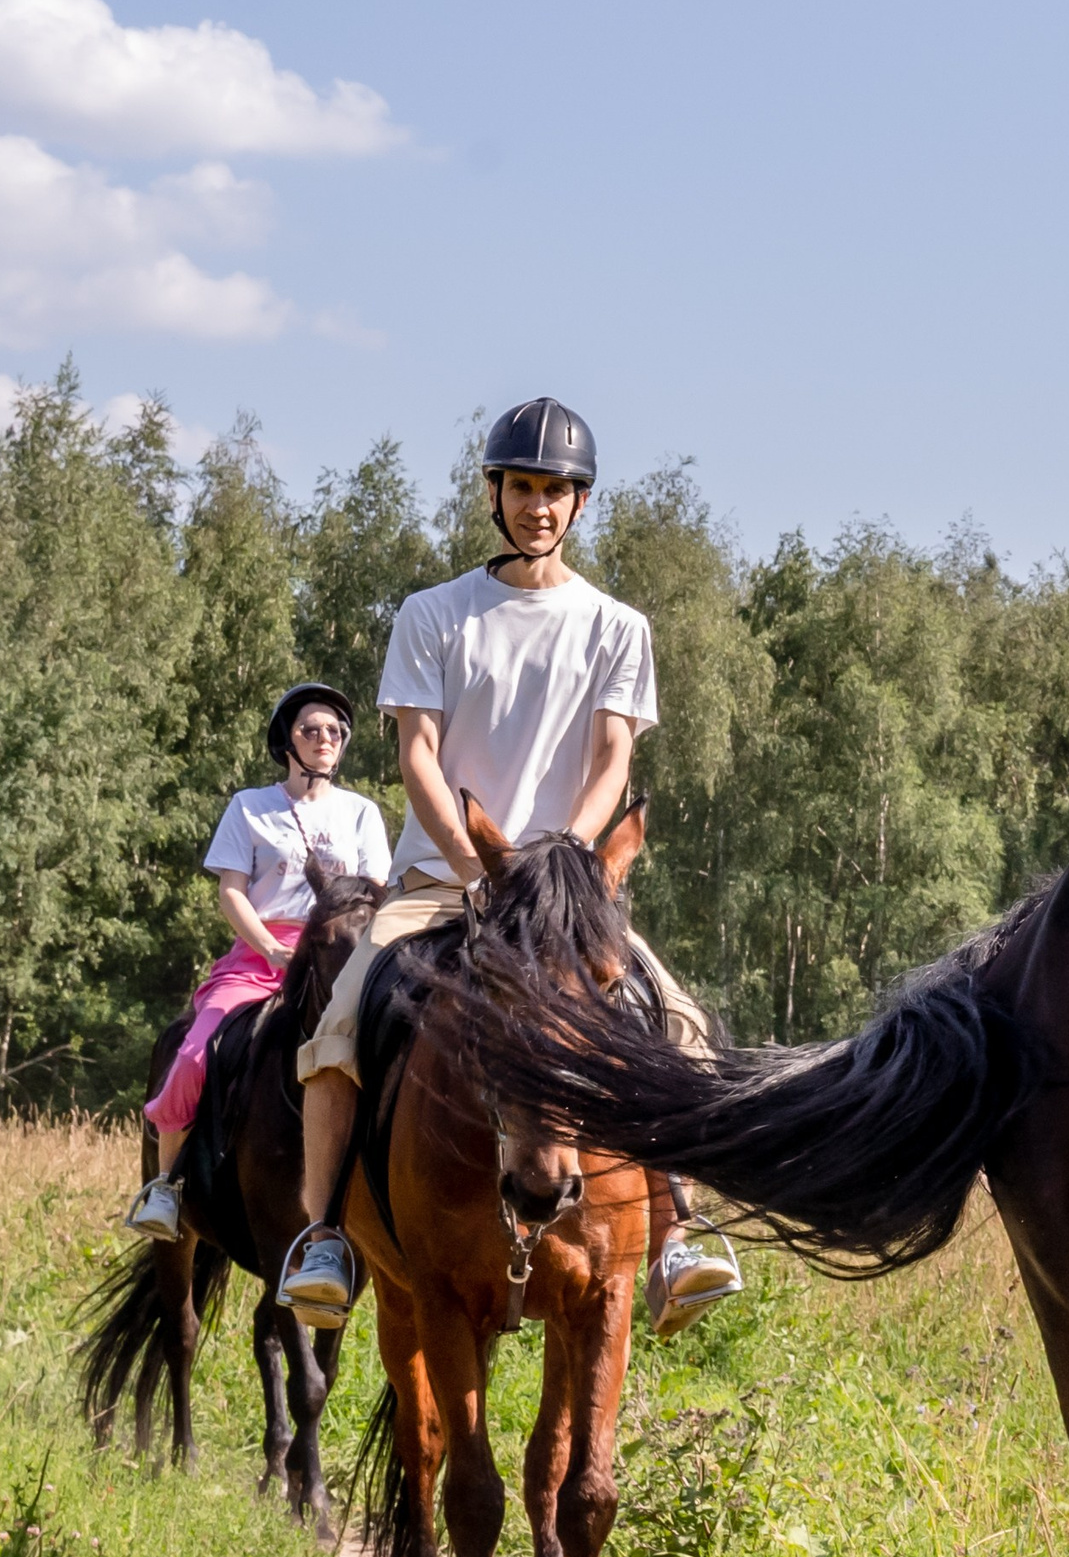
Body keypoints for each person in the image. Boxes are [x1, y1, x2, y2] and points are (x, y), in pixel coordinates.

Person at [274, 396, 741, 1336]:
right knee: (339, 1024)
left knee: (677, 1023)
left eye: (556, 491)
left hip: (564, 893)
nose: (538, 505)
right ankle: (323, 1235)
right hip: (445, 881)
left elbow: (614, 760)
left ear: (579, 505)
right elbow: (417, 756)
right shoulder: (434, 614)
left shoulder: (617, 625)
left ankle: (679, 1228)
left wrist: (555, 876)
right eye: (523, 487)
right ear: (495, 493)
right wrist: (481, 871)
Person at [125, 684, 394, 1241]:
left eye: (335, 733)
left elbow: (375, 894)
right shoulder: (250, 806)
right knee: (195, 1050)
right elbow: (231, 891)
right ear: (287, 742)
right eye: (312, 730)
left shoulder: (362, 813)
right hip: (262, 954)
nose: (325, 740)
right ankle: (167, 1187)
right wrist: (270, 945)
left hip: (343, 957)